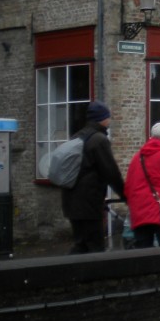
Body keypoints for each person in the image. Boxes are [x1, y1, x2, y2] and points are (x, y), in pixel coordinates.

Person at [61, 100, 126, 254]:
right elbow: (111, 172)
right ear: (102, 118)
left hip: (71, 200)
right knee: (95, 247)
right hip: (88, 202)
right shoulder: (99, 140)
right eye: (108, 116)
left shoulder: (78, 136)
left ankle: (70, 269)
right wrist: (126, 194)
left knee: (81, 244)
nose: (109, 120)